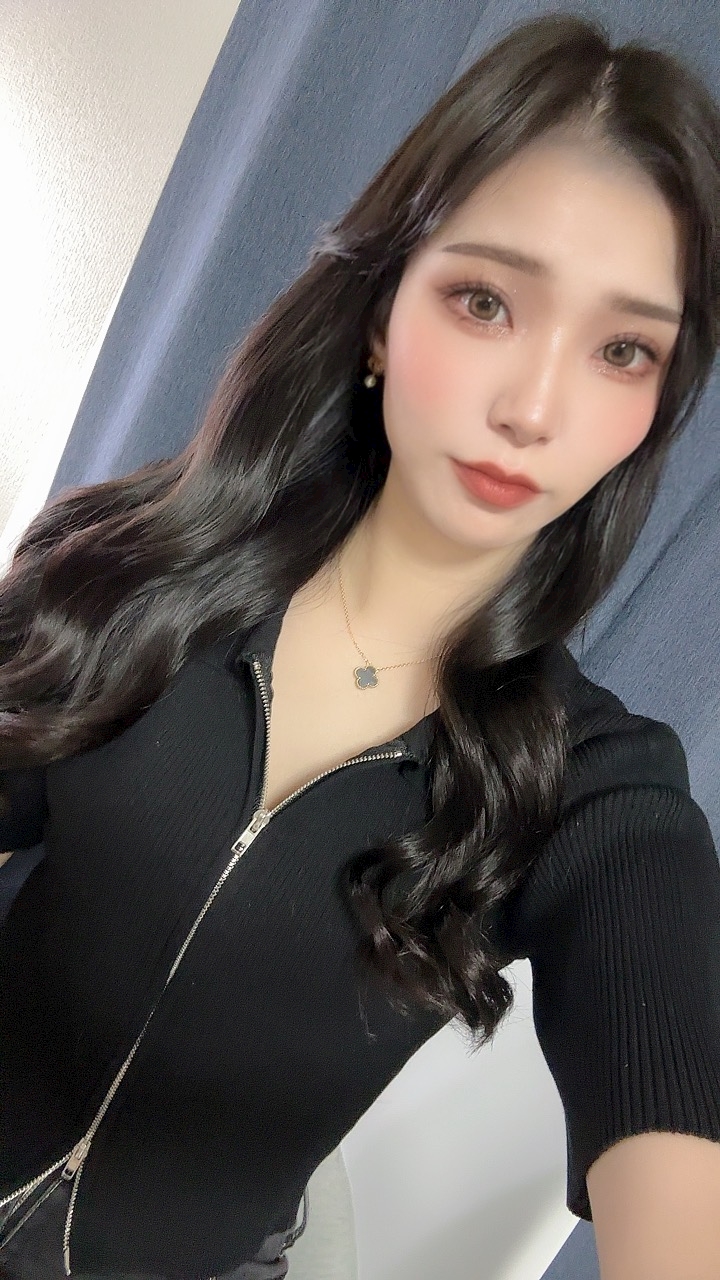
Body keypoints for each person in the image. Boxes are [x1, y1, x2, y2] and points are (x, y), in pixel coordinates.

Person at [1, 10, 720, 1279]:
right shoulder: (123, 565)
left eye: (622, 349)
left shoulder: (593, 787)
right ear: (383, 315)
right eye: (485, 301)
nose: (533, 407)